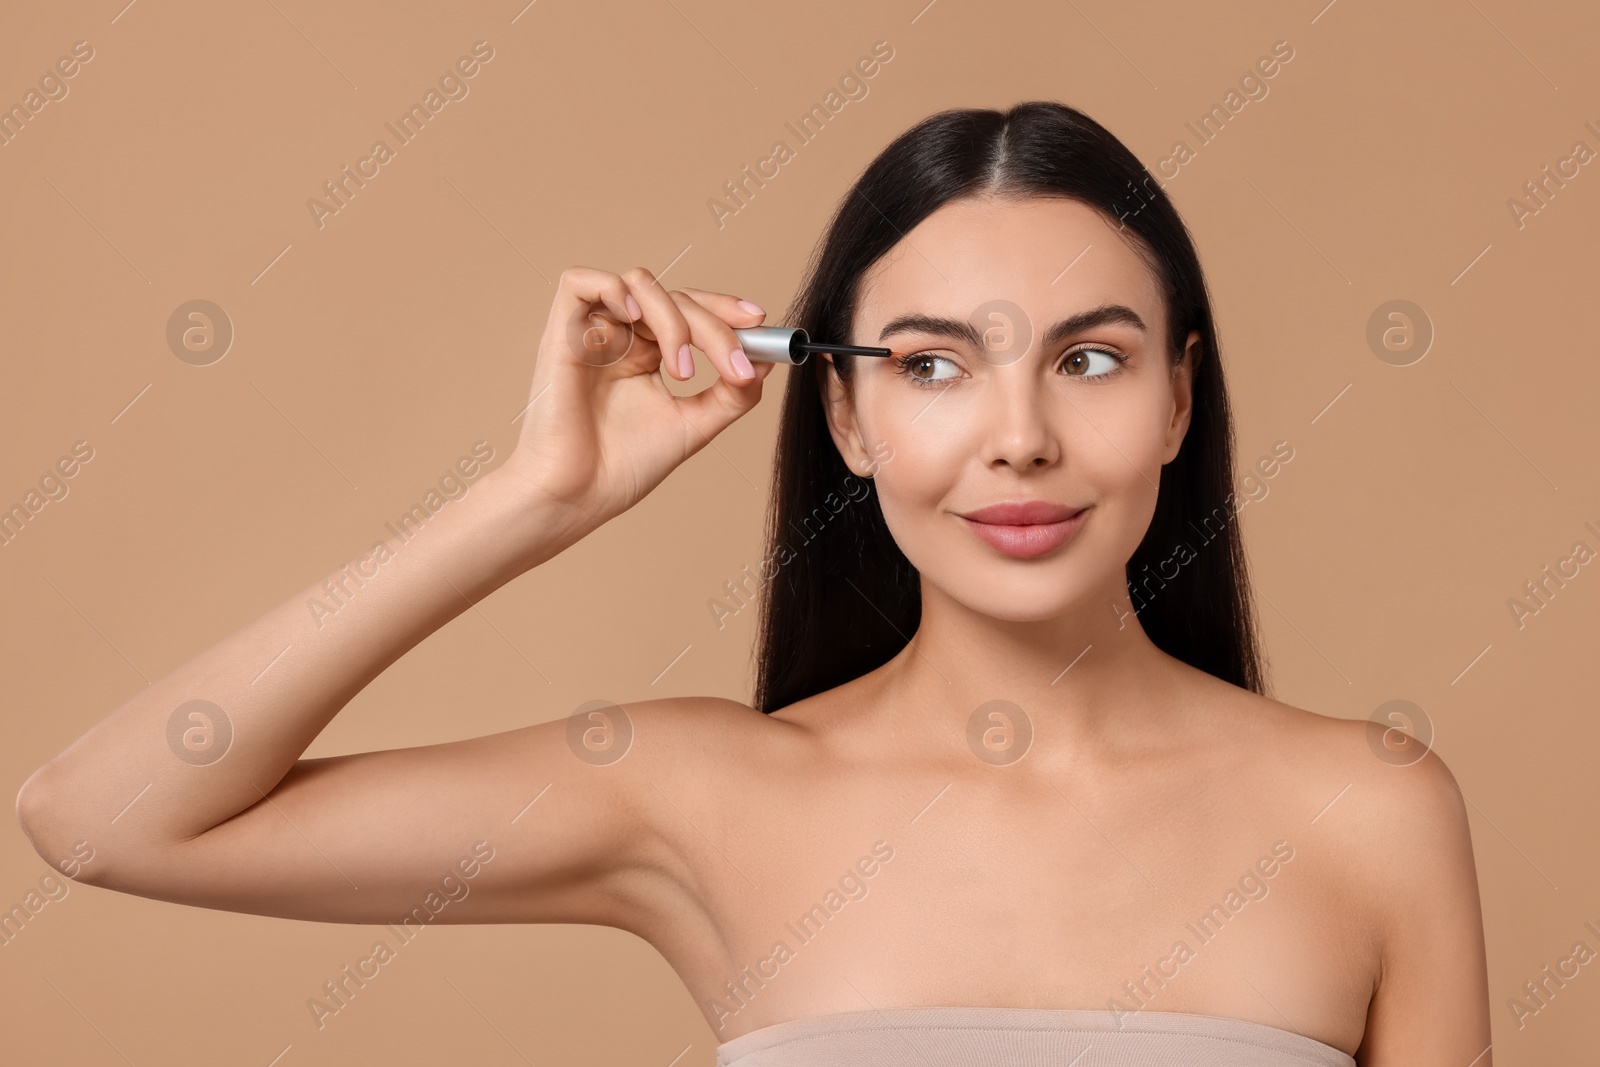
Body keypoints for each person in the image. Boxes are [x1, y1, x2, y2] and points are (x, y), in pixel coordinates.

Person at [16, 101, 1489, 1065]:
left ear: (1176, 402)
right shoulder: (703, 794)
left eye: (1088, 360)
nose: (1022, 435)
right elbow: (100, 819)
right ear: (843, 416)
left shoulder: (1370, 812)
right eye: (931, 366)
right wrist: (532, 500)